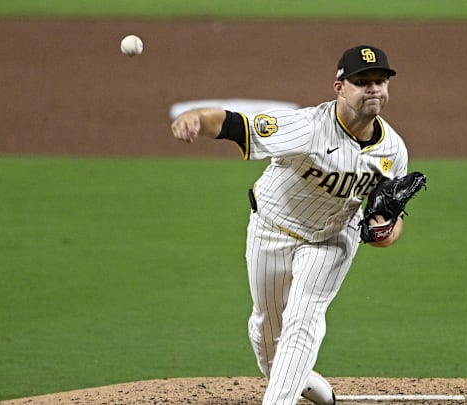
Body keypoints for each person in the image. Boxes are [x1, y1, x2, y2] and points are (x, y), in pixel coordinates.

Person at [171, 45, 410, 405]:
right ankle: (311, 387)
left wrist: (384, 233)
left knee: (304, 317)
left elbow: (391, 223)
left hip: (332, 239)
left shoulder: (393, 151)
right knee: (267, 331)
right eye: (362, 82)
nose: (373, 88)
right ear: (339, 87)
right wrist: (195, 119)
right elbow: (237, 125)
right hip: (272, 230)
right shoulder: (305, 127)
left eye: (379, 81)